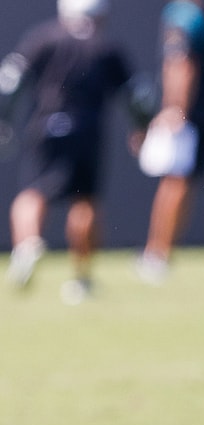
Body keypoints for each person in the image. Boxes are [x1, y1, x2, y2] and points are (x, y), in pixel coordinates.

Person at [0, 0, 144, 303]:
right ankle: (81, 276)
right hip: (87, 133)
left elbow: (9, 81)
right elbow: (136, 94)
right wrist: (141, 127)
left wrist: (4, 119)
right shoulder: (106, 47)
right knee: (85, 201)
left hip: (45, 127)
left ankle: (27, 243)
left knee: (33, 192)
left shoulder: (43, 38)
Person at [135, 0, 204, 283]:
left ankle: (157, 255)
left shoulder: (184, 15)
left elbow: (181, 64)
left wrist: (175, 108)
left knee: (176, 181)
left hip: (192, 116)